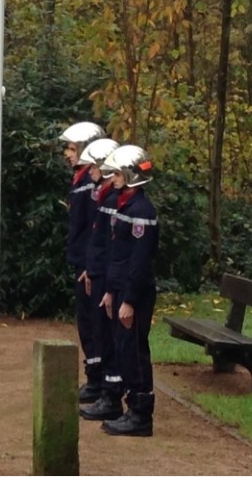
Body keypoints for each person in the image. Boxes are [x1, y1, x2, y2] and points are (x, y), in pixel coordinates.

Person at [83, 144, 159, 437]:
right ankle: (132, 408)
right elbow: (116, 255)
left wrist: (128, 299)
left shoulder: (141, 211)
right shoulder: (124, 206)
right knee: (124, 349)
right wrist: (111, 292)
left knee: (135, 351)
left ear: (128, 175)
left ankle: (141, 413)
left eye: (115, 173)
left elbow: (138, 263)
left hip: (135, 294)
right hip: (120, 291)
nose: (110, 177)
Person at [58, 121, 105, 401]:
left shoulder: (91, 184)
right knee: (86, 322)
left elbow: (94, 229)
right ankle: (94, 376)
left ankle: (97, 379)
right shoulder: (81, 181)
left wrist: (90, 265)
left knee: (92, 323)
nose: (67, 153)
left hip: (90, 265)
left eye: (73, 148)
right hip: (82, 261)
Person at [75, 137, 119, 410]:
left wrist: (97, 272)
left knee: (108, 336)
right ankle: (102, 386)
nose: (88, 172)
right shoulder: (103, 197)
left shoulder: (112, 200)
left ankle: (110, 392)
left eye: (92, 167)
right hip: (98, 272)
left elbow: (111, 245)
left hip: (108, 277)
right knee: (95, 328)